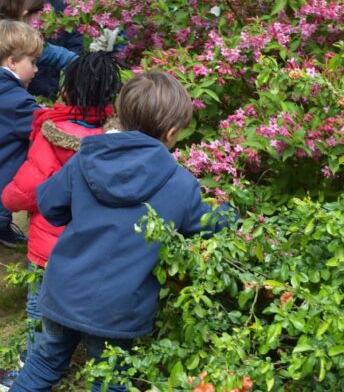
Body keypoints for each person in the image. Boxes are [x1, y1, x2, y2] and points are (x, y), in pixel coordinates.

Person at [10, 72, 233, 392]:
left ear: (121, 115)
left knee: (43, 365)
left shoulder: (86, 157)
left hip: (63, 292)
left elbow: (50, 205)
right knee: (110, 382)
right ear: (171, 133)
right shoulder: (180, 184)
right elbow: (206, 226)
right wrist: (230, 213)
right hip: (118, 310)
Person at [0, 51, 122, 391]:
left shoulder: (51, 135)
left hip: (47, 252)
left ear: (67, 91)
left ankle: (30, 369)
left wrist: (7, 199)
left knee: (40, 312)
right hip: (96, 251)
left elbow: (24, 191)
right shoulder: (116, 141)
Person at [3, 0, 84, 99]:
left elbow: (62, 52)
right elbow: (56, 55)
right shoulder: (19, 40)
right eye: (37, 15)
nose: (40, 20)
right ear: (24, 13)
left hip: (42, 91)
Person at [0, 20, 43, 248]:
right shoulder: (18, 103)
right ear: (13, 62)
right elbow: (43, 125)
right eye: (33, 62)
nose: (36, 70)